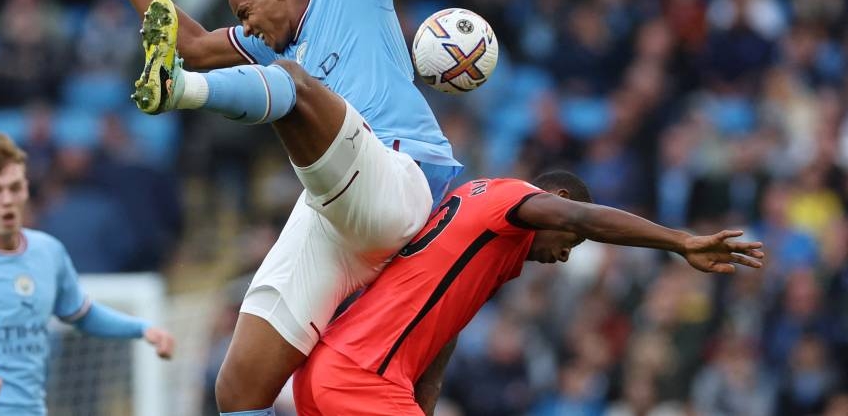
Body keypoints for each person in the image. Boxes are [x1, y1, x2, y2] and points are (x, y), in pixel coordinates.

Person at [72, 0, 547, 415]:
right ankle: (177, 90)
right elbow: (189, 41)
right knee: (237, 391)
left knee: (291, 87)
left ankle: (177, 95)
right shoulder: (272, 48)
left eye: (245, 13)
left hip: (403, 181)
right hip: (337, 209)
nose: (244, 29)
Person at [293, 171, 766, 414]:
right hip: (361, 375)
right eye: (570, 244)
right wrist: (681, 241)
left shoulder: (479, 216)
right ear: (557, 204)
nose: (565, 255)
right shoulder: (508, 198)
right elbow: (584, 218)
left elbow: (447, 322)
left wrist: (425, 400)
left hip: (329, 371)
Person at [0, 133, 175, 415]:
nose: (7, 199)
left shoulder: (48, 252)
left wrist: (142, 329)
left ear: (26, 190)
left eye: (14, 188)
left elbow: (83, 314)